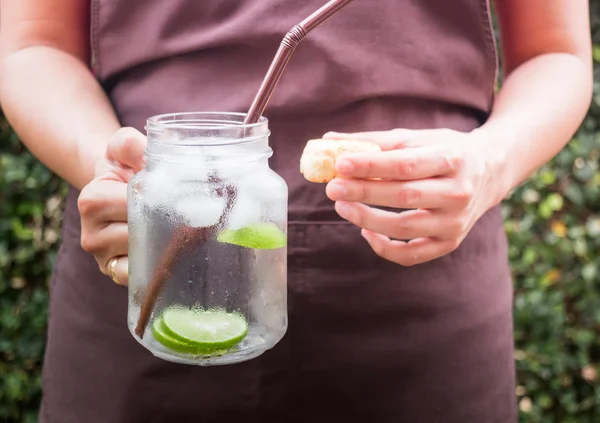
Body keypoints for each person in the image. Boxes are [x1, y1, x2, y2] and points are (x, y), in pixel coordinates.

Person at [0, 0, 592, 422]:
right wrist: (117, 170)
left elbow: (555, 52)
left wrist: (489, 161)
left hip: (423, 290)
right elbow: (32, 45)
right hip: (144, 276)